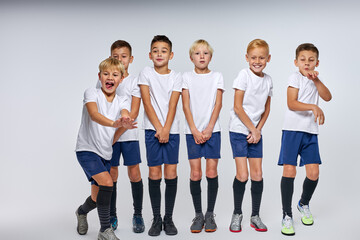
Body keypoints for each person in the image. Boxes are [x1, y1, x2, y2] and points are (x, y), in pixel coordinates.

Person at [75, 58, 137, 240]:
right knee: (108, 182)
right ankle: (105, 231)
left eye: (115, 75)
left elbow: (124, 116)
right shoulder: (91, 93)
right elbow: (94, 115)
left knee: (96, 198)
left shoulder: (123, 99)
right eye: (106, 74)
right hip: (86, 150)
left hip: (105, 153)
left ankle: (80, 212)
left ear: (121, 79)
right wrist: (113, 122)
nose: (110, 77)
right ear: (99, 77)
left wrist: (123, 123)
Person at [279, 43, 332, 236]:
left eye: (311, 60)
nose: (307, 63)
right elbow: (291, 103)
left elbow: (328, 97)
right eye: (303, 60)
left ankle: (304, 203)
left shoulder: (317, 79)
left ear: (317, 62)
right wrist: (313, 107)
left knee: (313, 173)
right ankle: (286, 215)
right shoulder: (294, 77)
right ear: (296, 62)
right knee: (290, 171)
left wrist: (316, 81)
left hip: (310, 132)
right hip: (292, 130)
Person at [96, 40, 145, 233]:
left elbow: (132, 113)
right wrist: (109, 135)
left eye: (123, 56)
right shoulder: (104, 79)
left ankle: (138, 215)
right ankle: (112, 215)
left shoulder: (134, 81)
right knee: (112, 175)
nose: (120, 60)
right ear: (110, 58)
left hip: (128, 135)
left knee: (134, 174)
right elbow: (99, 109)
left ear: (130, 59)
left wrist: (117, 134)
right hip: (109, 137)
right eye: (115, 57)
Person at [138, 35, 182, 236]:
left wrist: (166, 129)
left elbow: (173, 105)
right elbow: (146, 103)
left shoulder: (176, 76)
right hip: (152, 130)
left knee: (170, 173)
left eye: (163, 51)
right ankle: (156, 218)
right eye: (155, 50)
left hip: (171, 131)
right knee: (154, 173)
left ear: (170, 55)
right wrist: (158, 128)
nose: (159, 54)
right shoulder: (146, 73)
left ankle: (169, 218)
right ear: (150, 54)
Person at [228, 39, 272, 233]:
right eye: (253, 57)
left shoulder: (268, 80)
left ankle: (255, 215)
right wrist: (251, 129)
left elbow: (267, 109)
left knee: (257, 174)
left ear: (268, 58)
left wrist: (258, 129)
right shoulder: (243, 75)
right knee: (243, 175)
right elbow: (238, 107)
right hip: (239, 130)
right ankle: (237, 213)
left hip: (256, 132)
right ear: (247, 58)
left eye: (261, 57)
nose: (257, 61)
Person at [182, 39, 224, 233]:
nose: (201, 56)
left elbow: (218, 104)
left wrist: (208, 129)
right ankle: (198, 214)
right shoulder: (186, 77)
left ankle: (210, 214)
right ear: (191, 57)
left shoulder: (217, 76)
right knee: (196, 173)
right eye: (197, 53)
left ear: (211, 56)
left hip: (212, 131)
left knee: (211, 172)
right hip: (192, 132)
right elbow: (185, 105)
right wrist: (194, 130)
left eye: (205, 53)